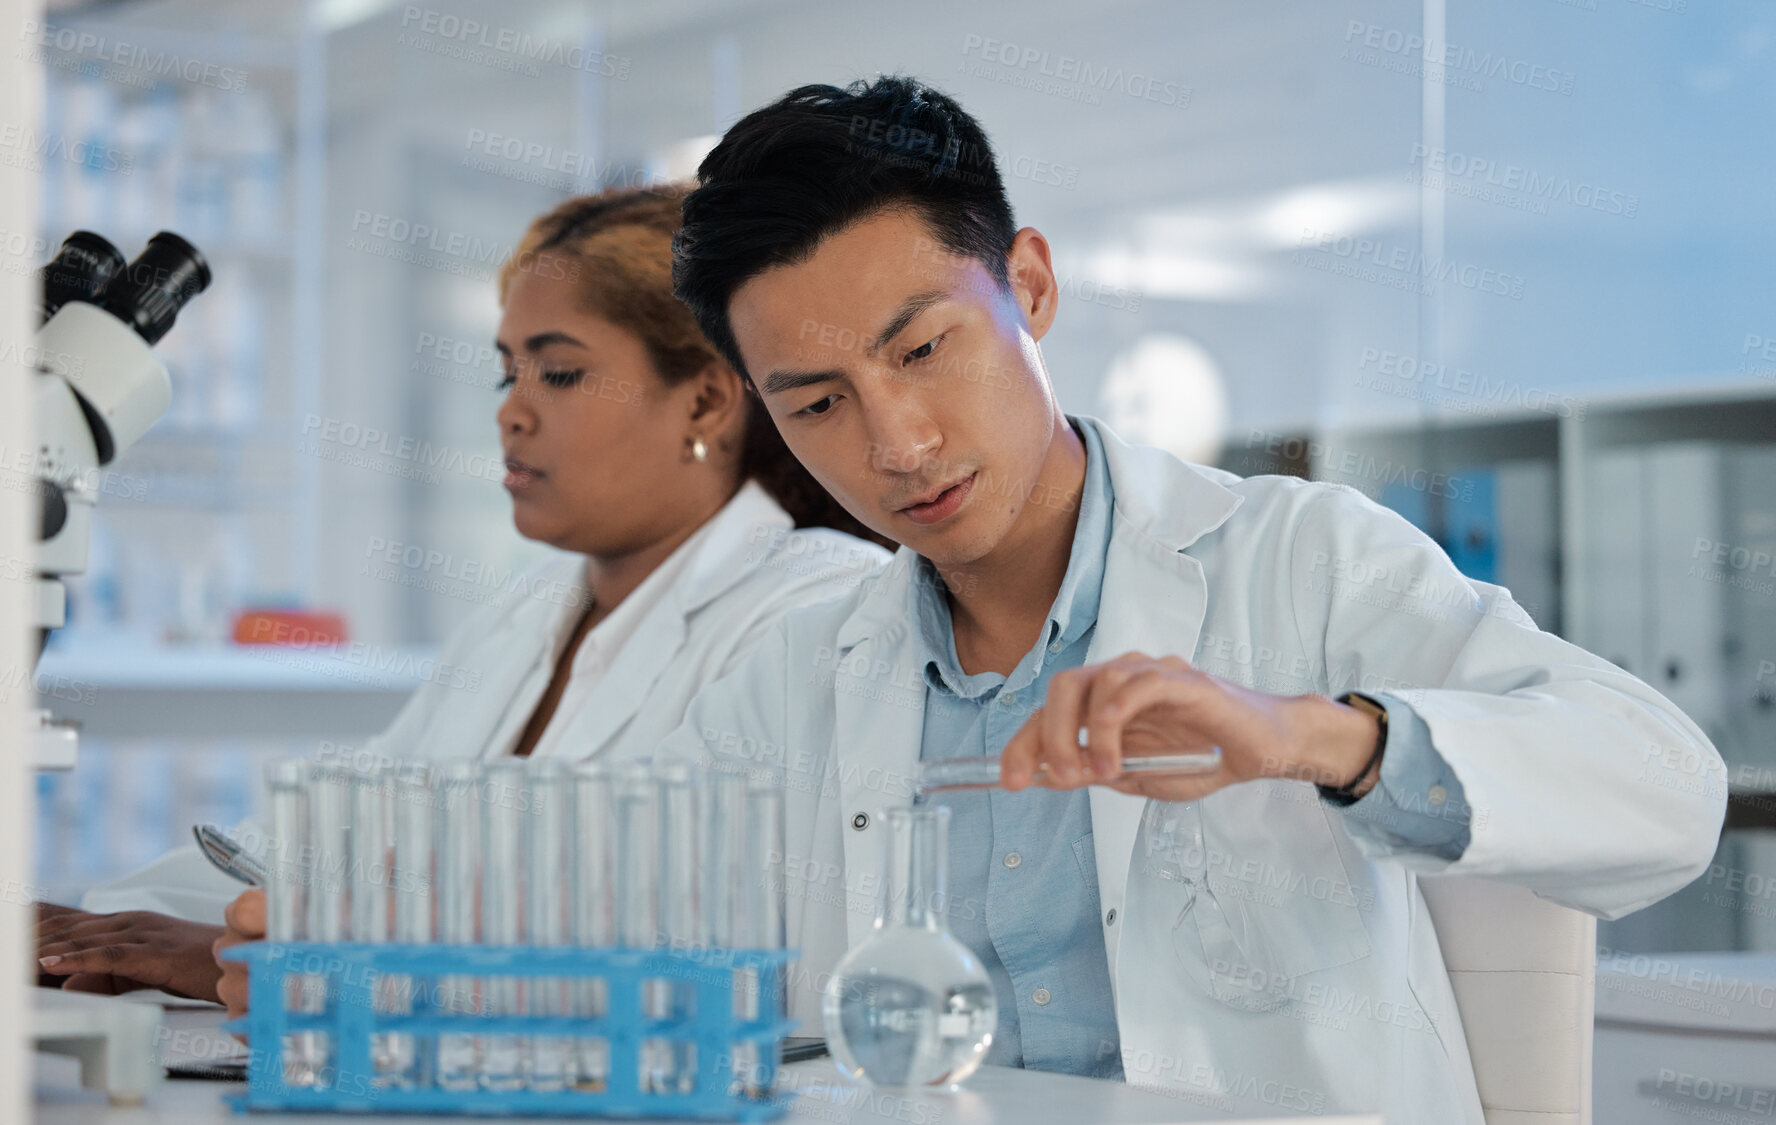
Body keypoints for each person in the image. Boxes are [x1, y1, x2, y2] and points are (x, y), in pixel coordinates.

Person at [652, 77, 1727, 1121]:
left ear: (1028, 287)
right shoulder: (781, 683)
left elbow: (1670, 792)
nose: (898, 444)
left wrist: (1309, 737)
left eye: (925, 349)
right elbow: (670, 1000)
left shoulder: (1305, 561)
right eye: (820, 403)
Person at [34, 185, 891, 1005]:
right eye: (505, 374)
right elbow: (318, 847)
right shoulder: (530, 611)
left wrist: (266, 947)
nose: (510, 413)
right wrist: (98, 919)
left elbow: (678, 931)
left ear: (705, 399)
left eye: (556, 374)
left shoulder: (815, 603)